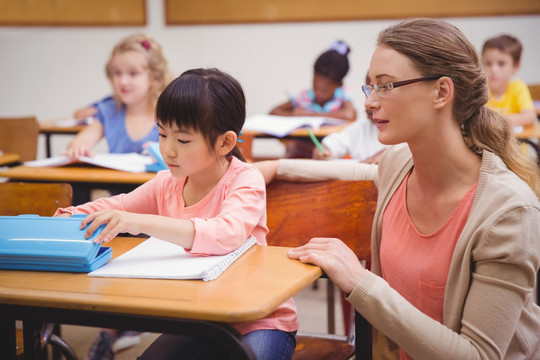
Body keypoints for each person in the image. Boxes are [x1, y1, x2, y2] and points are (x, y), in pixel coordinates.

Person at [258, 18, 540, 359]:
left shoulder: (507, 212)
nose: (370, 102)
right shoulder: (398, 164)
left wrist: (360, 282)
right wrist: (275, 167)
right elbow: (349, 170)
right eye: (370, 87)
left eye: (386, 86)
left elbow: (478, 355)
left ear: (441, 92)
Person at [55, 68, 298, 360]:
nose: (168, 150)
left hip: (260, 321)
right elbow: (118, 206)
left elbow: (226, 233)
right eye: (162, 134)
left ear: (225, 142)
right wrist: (70, 215)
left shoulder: (245, 179)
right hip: (201, 319)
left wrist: (139, 222)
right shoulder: (167, 183)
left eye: (183, 141)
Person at [66, 33, 174, 159]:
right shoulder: (109, 110)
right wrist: (78, 149)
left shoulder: (170, 114)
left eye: (133, 73)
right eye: (117, 73)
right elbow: (79, 143)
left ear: (154, 77)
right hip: (116, 179)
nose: (123, 81)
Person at [269, 40, 357, 158]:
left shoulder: (343, 94)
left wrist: (312, 115)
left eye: (324, 90)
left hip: (329, 153)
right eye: (315, 86)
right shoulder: (305, 96)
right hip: (298, 153)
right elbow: (274, 111)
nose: (318, 92)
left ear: (339, 84)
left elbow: (348, 114)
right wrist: (293, 113)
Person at [313, 74, 387, 163]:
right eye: (368, 90)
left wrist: (393, 154)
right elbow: (328, 146)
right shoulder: (363, 127)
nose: (367, 103)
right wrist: (322, 151)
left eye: (381, 90)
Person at [482, 34, 536, 129]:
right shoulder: (480, 90)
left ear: (516, 66)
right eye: (488, 63)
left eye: (501, 64)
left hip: (517, 142)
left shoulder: (518, 87)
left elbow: (530, 117)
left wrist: (496, 120)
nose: (494, 69)